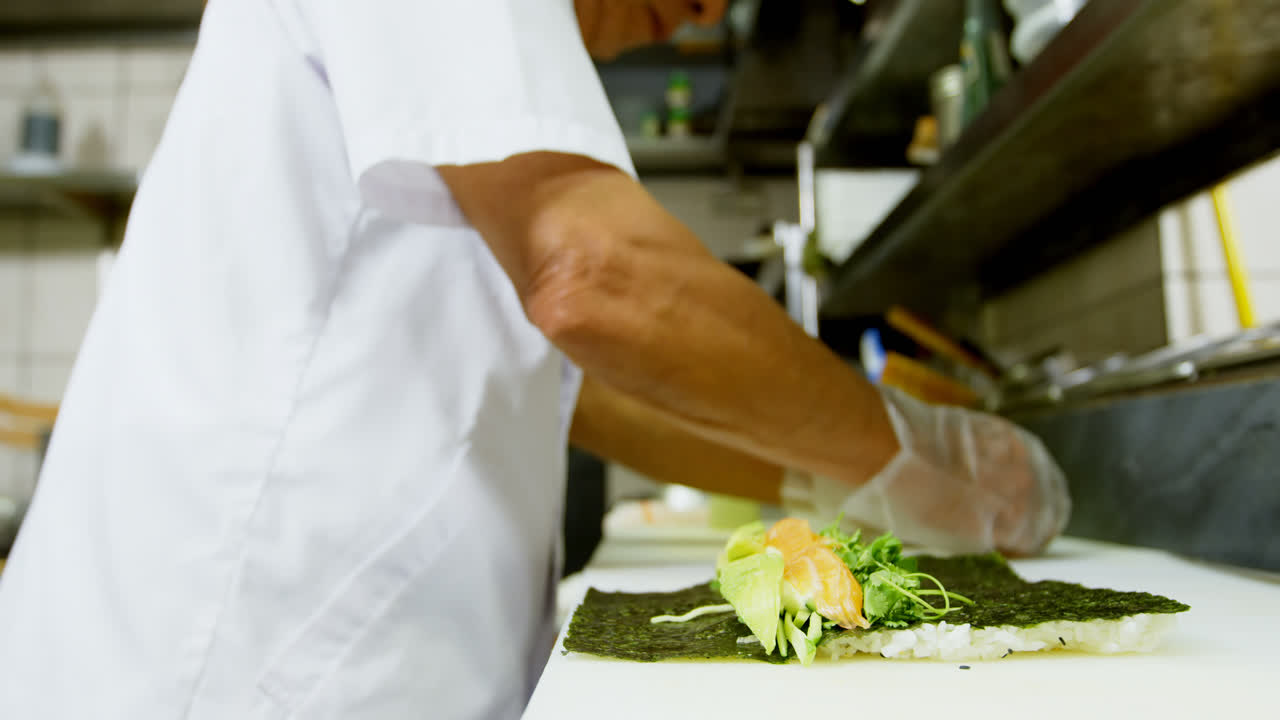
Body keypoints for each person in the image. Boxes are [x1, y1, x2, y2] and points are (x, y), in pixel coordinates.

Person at [0, 1, 1068, 718]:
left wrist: (837, 482)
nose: (710, 8)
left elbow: (571, 387)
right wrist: (921, 455)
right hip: (232, 674)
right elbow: (596, 280)